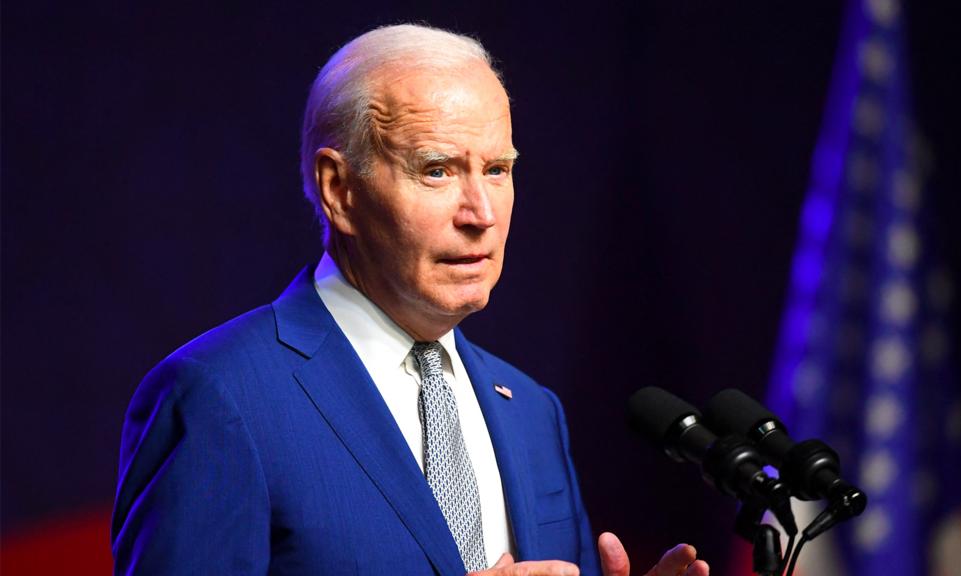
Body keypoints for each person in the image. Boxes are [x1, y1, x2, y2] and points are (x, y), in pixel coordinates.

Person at [111, 24, 710, 576]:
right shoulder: (218, 396)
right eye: (437, 170)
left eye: (497, 170)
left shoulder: (532, 410)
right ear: (339, 189)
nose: (481, 215)